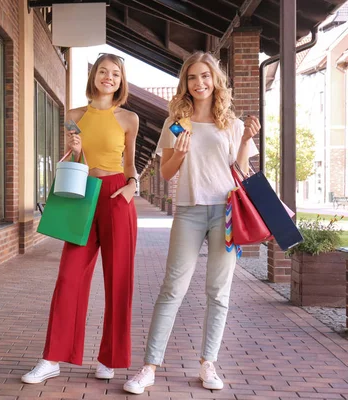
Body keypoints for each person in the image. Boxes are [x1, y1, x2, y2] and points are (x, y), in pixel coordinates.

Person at [123, 51, 260, 394]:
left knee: (218, 291)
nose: (199, 83)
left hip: (226, 212)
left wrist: (244, 142)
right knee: (172, 288)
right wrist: (180, 153)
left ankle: (208, 363)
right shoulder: (176, 123)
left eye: (205, 76)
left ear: (215, 81)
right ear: (185, 83)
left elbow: (242, 173)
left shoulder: (232, 124)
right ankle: (149, 367)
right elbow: (166, 171)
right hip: (189, 211)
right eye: (192, 77)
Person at [21, 53, 139, 384]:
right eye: (103, 71)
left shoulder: (129, 118)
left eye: (115, 73)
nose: (109, 77)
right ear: (94, 76)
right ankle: (52, 358)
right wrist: (74, 149)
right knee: (69, 277)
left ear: (121, 81)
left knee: (119, 280)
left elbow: (129, 163)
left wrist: (132, 186)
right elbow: (76, 159)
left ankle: (110, 359)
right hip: (82, 193)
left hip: (118, 195)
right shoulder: (74, 115)